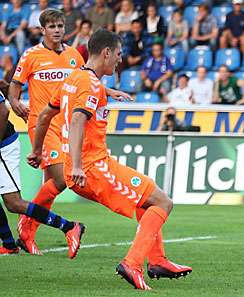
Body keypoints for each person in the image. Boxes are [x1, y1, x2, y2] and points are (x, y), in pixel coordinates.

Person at [29, 29, 192, 290]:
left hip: (82, 168)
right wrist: (80, 164)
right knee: (163, 201)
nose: (119, 60)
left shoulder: (74, 79)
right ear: (106, 52)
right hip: (93, 167)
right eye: (117, 54)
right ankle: (132, 264)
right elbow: (79, 119)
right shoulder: (90, 85)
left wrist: (37, 150)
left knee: (147, 204)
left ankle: (158, 260)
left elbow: (45, 115)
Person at [8, 9, 131, 255]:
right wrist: (14, 102)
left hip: (63, 125)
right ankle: (28, 230)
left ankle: (27, 231)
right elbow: (14, 85)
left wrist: (109, 92)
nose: (57, 30)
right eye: (52, 26)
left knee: (54, 184)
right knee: (63, 178)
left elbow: (85, 82)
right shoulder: (31, 55)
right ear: (42, 30)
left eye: (61, 26)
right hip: (41, 122)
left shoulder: (75, 56)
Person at [0, 82, 84, 257]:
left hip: (4, 145)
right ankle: (9, 245)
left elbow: (3, 111)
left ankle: (69, 227)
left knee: (14, 203)